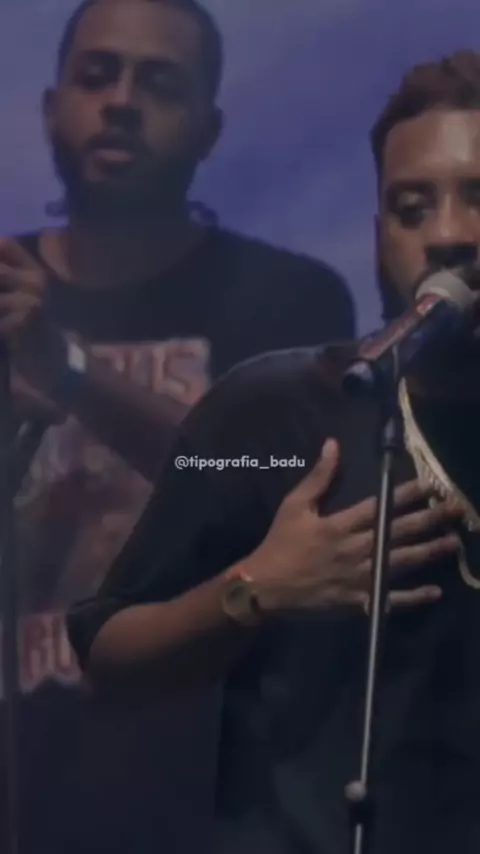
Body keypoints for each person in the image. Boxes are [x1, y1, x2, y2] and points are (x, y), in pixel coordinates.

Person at [69, 49, 480, 854]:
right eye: (410, 208)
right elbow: (107, 655)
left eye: (479, 200)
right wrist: (257, 587)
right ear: (378, 238)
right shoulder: (268, 421)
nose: (446, 235)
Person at [0, 0, 354, 851]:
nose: (120, 101)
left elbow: (264, 481)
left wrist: (68, 369)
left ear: (209, 129)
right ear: (50, 107)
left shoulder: (290, 303)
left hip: (219, 799)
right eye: (97, 76)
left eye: (158, 83)